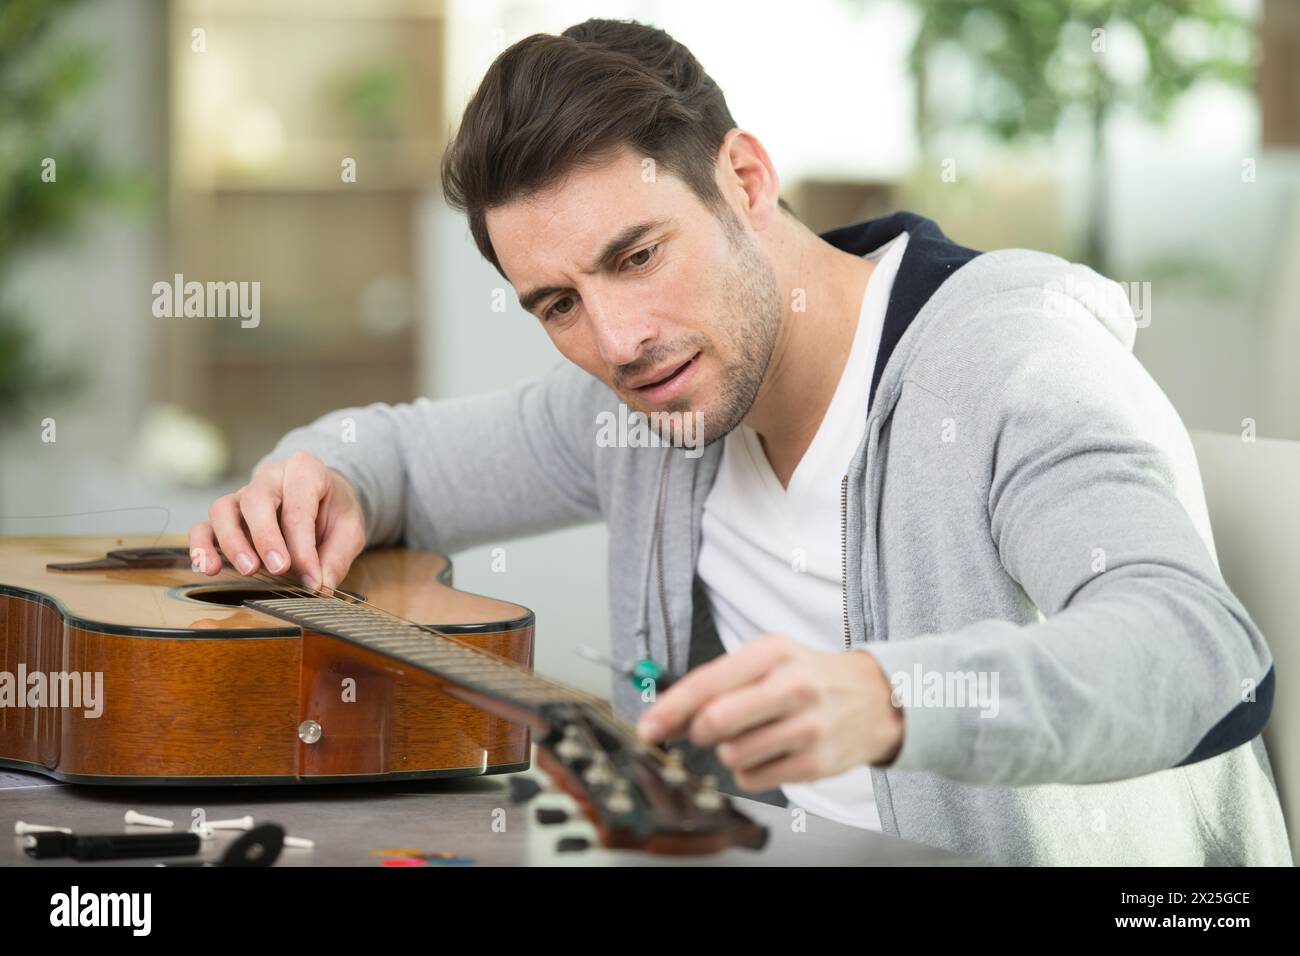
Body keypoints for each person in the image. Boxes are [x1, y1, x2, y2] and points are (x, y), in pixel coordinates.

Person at [188, 18, 1290, 865]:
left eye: (637, 254)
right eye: (556, 303)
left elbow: (1200, 654)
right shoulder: (650, 406)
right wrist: (314, 473)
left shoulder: (1007, 363)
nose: (617, 338)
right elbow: (406, 459)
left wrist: (887, 697)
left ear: (747, 180)